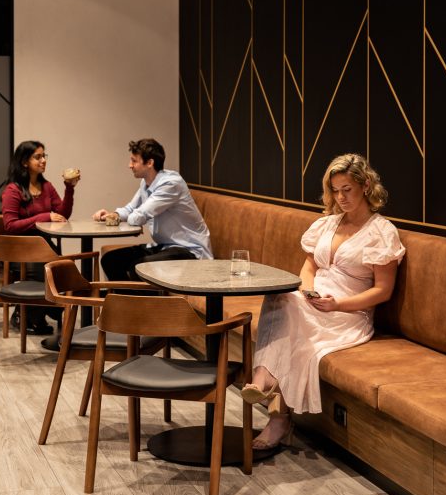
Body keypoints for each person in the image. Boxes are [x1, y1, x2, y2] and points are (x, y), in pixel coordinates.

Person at [241, 153, 405, 450]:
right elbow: (308, 268)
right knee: (280, 296)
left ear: (366, 186)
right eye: (335, 190)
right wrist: (307, 291)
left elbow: (383, 291)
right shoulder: (327, 224)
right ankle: (268, 392)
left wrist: (337, 304)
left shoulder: (381, 232)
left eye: (347, 190)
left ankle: (269, 398)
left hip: (348, 314)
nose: (341, 198)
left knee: (289, 317)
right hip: (314, 302)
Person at [92, 138, 212, 280]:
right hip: (165, 246)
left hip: (189, 250)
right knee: (110, 260)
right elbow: (131, 209)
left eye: (134, 161)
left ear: (149, 163)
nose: (129, 165)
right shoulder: (146, 182)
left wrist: (129, 218)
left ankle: (138, 295)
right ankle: (127, 295)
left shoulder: (171, 184)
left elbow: (139, 216)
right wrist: (112, 215)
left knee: (139, 267)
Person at [1, 140, 80, 334]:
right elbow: (10, 225)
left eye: (44, 156)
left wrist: (69, 188)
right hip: (21, 248)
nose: (43, 160)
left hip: (44, 246)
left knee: (64, 268)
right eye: (38, 157)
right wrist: (44, 217)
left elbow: (62, 214)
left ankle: (38, 313)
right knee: (46, 271)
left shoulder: (46, 187)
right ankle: (27, 316)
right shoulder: (13, 190)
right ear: (24, 162)